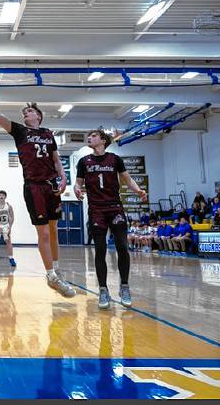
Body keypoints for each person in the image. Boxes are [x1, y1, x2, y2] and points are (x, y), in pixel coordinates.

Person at [0, 73, 74, 297]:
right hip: (33, 186)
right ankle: (50, 275)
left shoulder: (47, 134)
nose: (26, 113)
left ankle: (57, 270)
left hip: (52, 184)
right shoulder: (20, 131)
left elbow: (56, 160)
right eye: (24, 112)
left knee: (53, 230)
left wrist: (64, 178)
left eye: (30, 111)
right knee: (43, 233)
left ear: (39, 116)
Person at [74, 129, 147, 309]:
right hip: (96, 210)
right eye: (89, 136)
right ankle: (103, 290)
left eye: (93, 136)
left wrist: (138, 191)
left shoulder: (115, 159)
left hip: (114, 207)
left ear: (103, 140)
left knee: (122, 246)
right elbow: (78, 182)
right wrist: (76, 189)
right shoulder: (84, 162)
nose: (89, 138)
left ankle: (124, 286)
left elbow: (127, 179)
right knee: (100, 250)